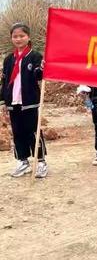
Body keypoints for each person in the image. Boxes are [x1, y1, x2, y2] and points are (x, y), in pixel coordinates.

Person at [0, 23, 47, 178]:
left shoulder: (35, 56)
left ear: (28, 37)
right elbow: (5, 81)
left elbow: (39, 75)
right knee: (18, 132)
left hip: (29, 101)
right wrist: (3, 101)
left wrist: (43, 69)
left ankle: (40, 162)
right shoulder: (8, 60)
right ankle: (22, 161)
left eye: (22, 36)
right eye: (15, 36)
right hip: (13, 102)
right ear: (11, 38)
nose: (18, 39)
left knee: (33, 132)